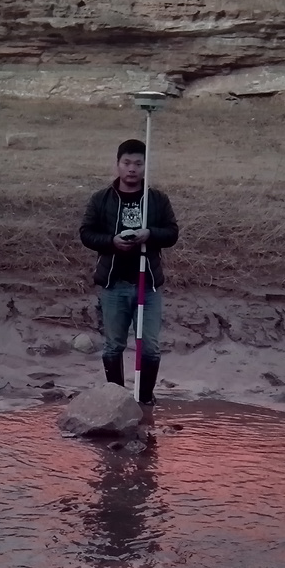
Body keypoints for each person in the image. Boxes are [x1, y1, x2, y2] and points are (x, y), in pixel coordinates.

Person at [79, 139, 179, 405]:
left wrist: (150, 234)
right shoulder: (101, 199)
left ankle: (144, 401)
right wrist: (111, 242)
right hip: (114, 284)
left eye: (138, 163)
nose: (132, 169)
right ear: (118, 165)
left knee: (150, 347)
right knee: (113, 345)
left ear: (146, 166)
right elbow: (86, 234)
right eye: (127, 163)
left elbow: (172, 233)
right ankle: (116, 401)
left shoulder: (156, 199)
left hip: (148, 285)